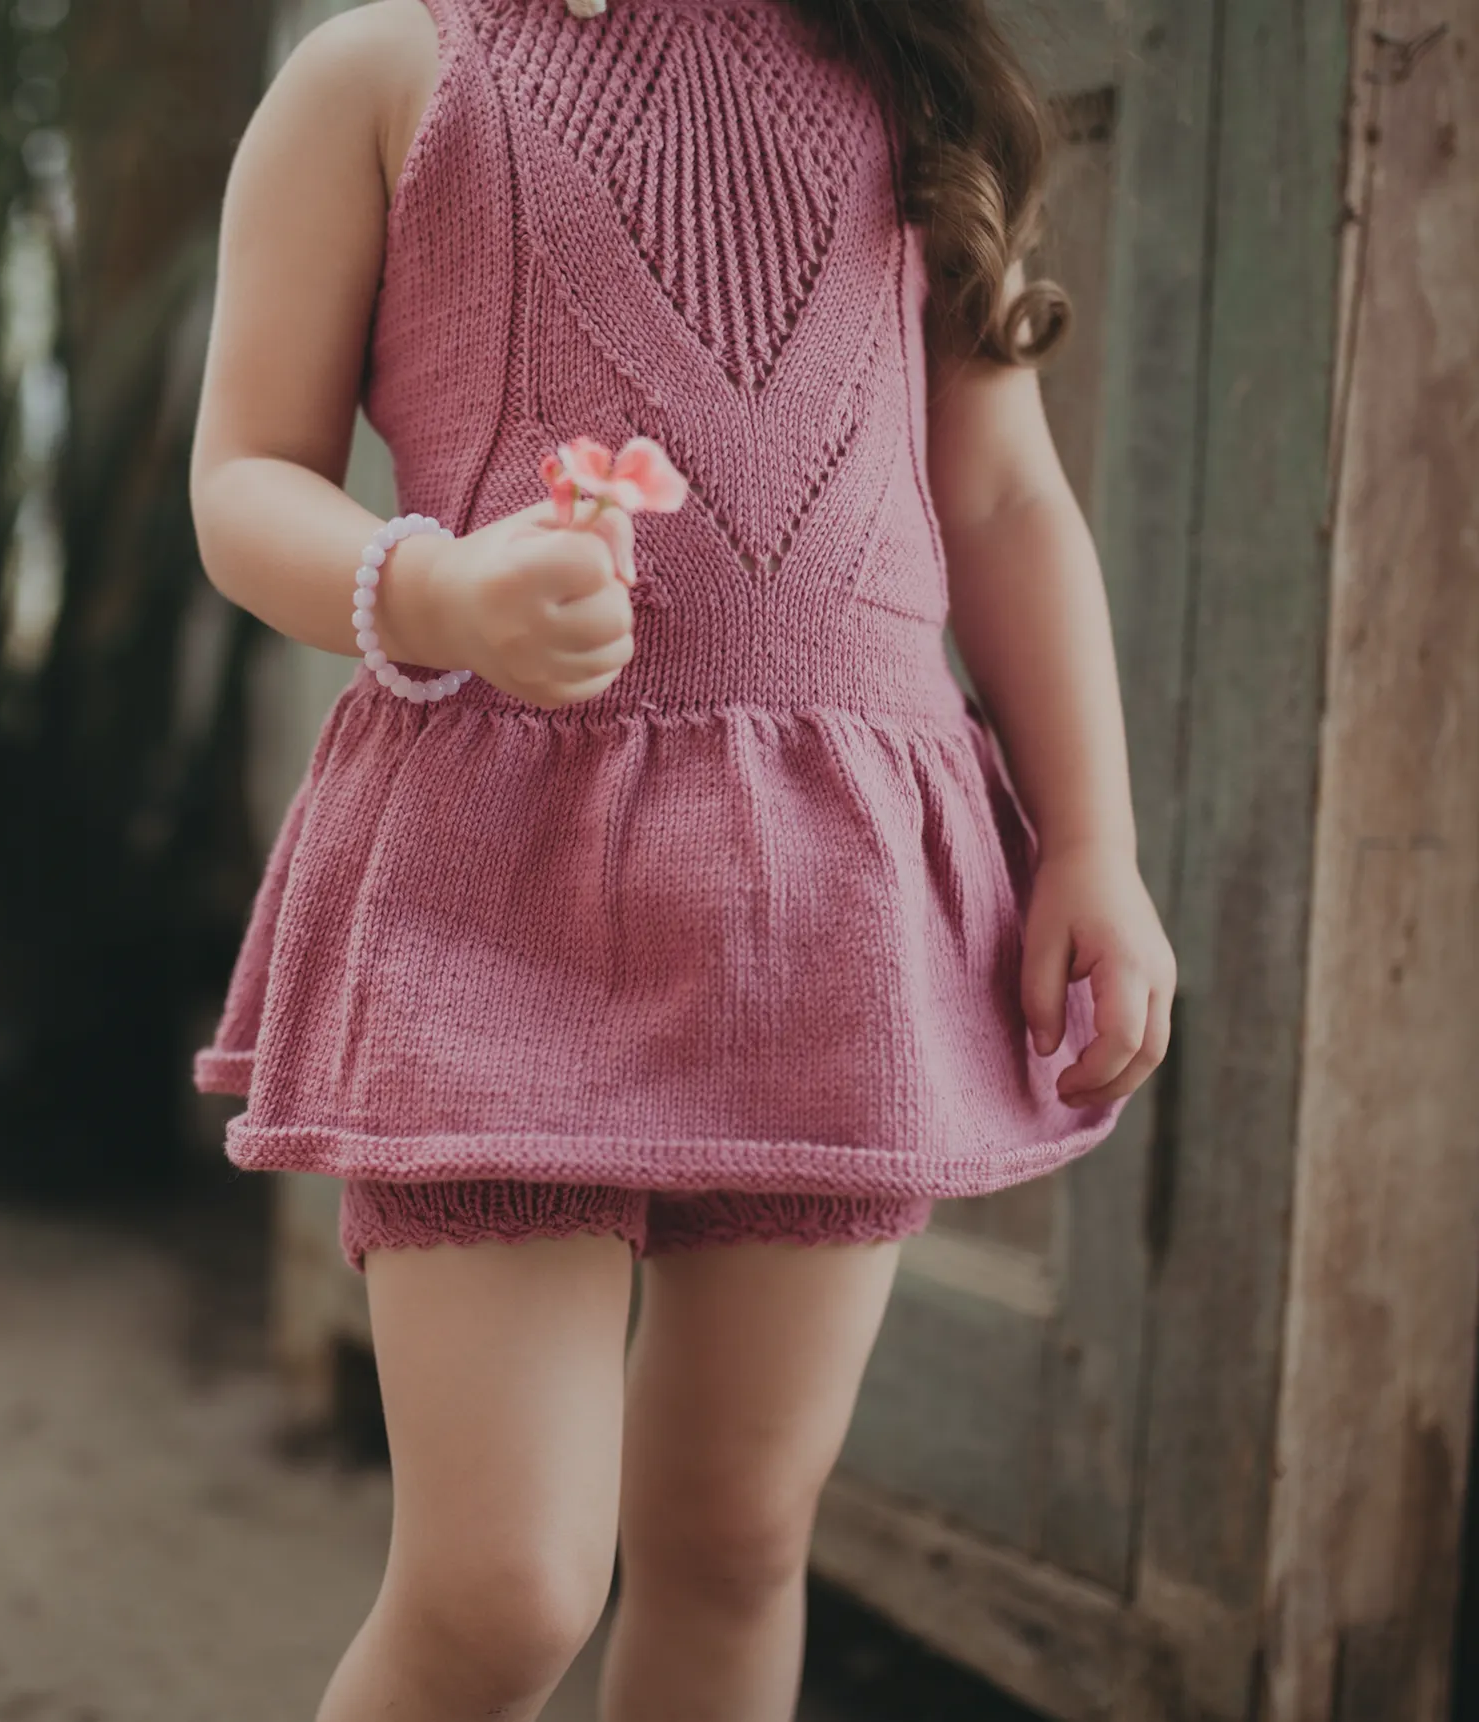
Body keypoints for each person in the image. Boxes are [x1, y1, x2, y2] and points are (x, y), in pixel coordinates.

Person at [186, 0, 1174, 1715]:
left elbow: (1003, 494)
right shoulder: (381, 75)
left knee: (731, 1539)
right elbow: (244, 476)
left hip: (829, 907)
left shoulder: (899, 79)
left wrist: (1091, 835)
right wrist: (433, 590)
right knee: (504, 1587)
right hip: (496, 891)